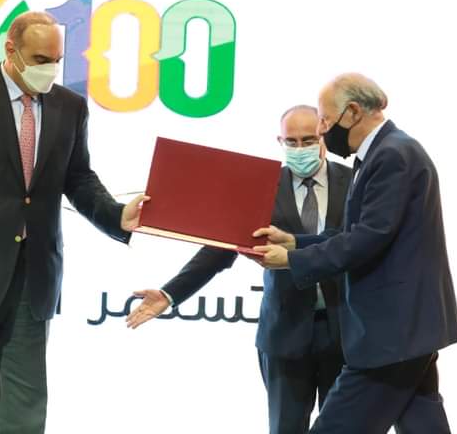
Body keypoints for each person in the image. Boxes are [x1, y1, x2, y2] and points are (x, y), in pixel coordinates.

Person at [0, 11, 147, 434]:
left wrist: (116, 215)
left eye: (56, 60)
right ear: (11, 50)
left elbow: (78, 177)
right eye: (40, 59)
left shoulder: (71, 107)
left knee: (25, 413)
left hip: (35, 279)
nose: (49, 69)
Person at [254, 73, 457, 433]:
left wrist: (292, 260)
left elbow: (368, 238)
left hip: (391, 334)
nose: (322, 130)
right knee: (423, 423)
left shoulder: (392, 155)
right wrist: (295, 243)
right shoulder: (386, 152)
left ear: (351, 112)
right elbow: (356, 234)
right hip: (408, 332)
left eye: (324, 119)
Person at [126, 105, 352, 434]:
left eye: (308, 140)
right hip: (284, 334)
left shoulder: (355, 181)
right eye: (291, 141)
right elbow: (219, 250)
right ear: (280, 141)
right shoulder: (262, 186)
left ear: (324, 137)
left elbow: (358, 243)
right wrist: (170, 294)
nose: (300, 148)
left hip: (345, 331)